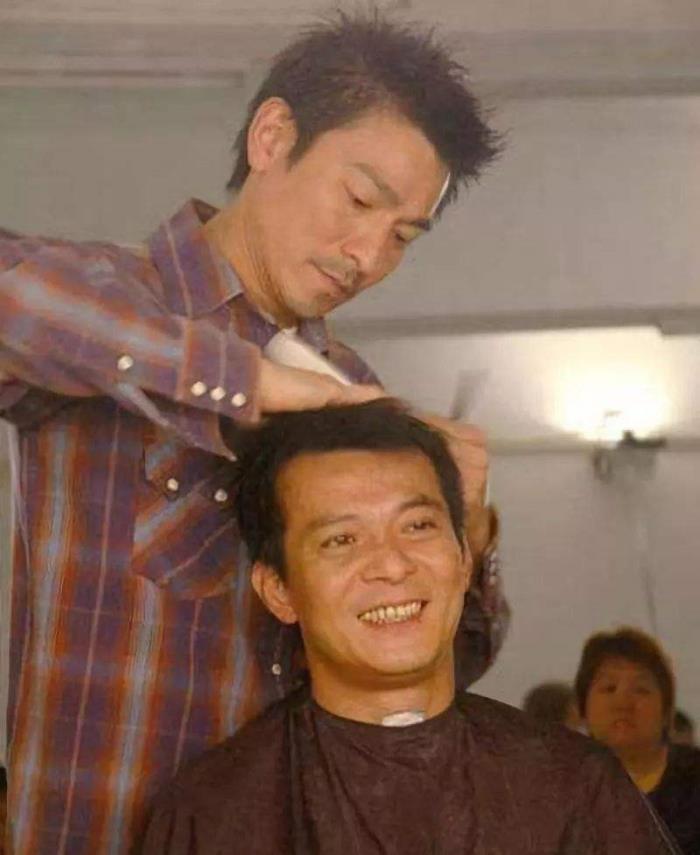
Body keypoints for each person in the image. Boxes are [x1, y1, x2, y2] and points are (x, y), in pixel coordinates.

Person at [0, 12, 509, 855]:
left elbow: (435, 663)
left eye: (402, 236)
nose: (367, 254)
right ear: (273, 137)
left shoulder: (355, 390)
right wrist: (249, 382)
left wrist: (469, 528)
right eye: (360, 200)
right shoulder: (113, 299)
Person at [137, 401, 676, 855]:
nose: (392, 565)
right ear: (279, 590)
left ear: (464, 559)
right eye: (342, 540)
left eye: (417, 526)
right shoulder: (216, 812)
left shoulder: (571, 786)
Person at [575, 627, 700, 854]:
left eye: (641, 690)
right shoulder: (560, 791)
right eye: (609, 688)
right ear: (583, 711)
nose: (623, 703)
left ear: (666, 712)